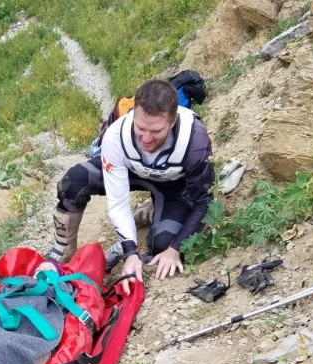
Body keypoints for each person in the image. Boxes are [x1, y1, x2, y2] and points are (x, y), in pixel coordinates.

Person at [47, 78, 214, 295]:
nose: (146, 138)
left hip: (174, 186)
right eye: (141, 128)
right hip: (131, 173)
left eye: (156, 131)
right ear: (134, 114)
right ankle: (64, 248)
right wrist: (130, 253)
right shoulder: (116, 135)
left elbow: (204, 202)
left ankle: (154, 211)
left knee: (162, 247)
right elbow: (118, 202)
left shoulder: (194, 141)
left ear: (172, 121)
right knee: (74, 181)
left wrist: (175, 249)